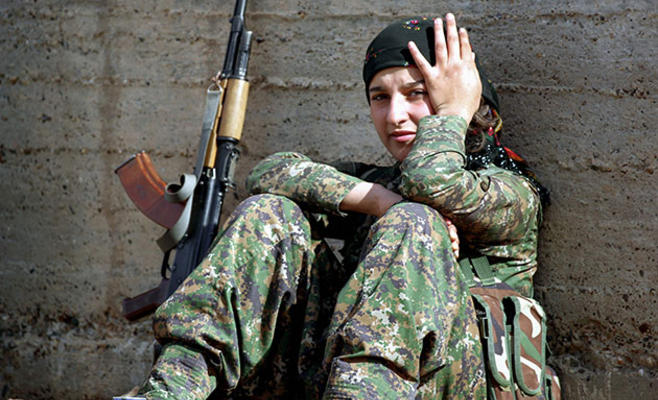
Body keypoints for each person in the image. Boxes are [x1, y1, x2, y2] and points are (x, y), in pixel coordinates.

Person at [134, 13, 548, 400]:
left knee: (413, 220)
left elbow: (432, 181)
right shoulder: (381, 185)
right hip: (337, 380)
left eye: (417, 94)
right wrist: (381, 201)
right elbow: (268, 174)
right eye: (380, 97)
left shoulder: (509, 193)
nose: (395, 115)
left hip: (450, 386)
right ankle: (170, 390)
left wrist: (455, 110)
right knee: (268, 214)